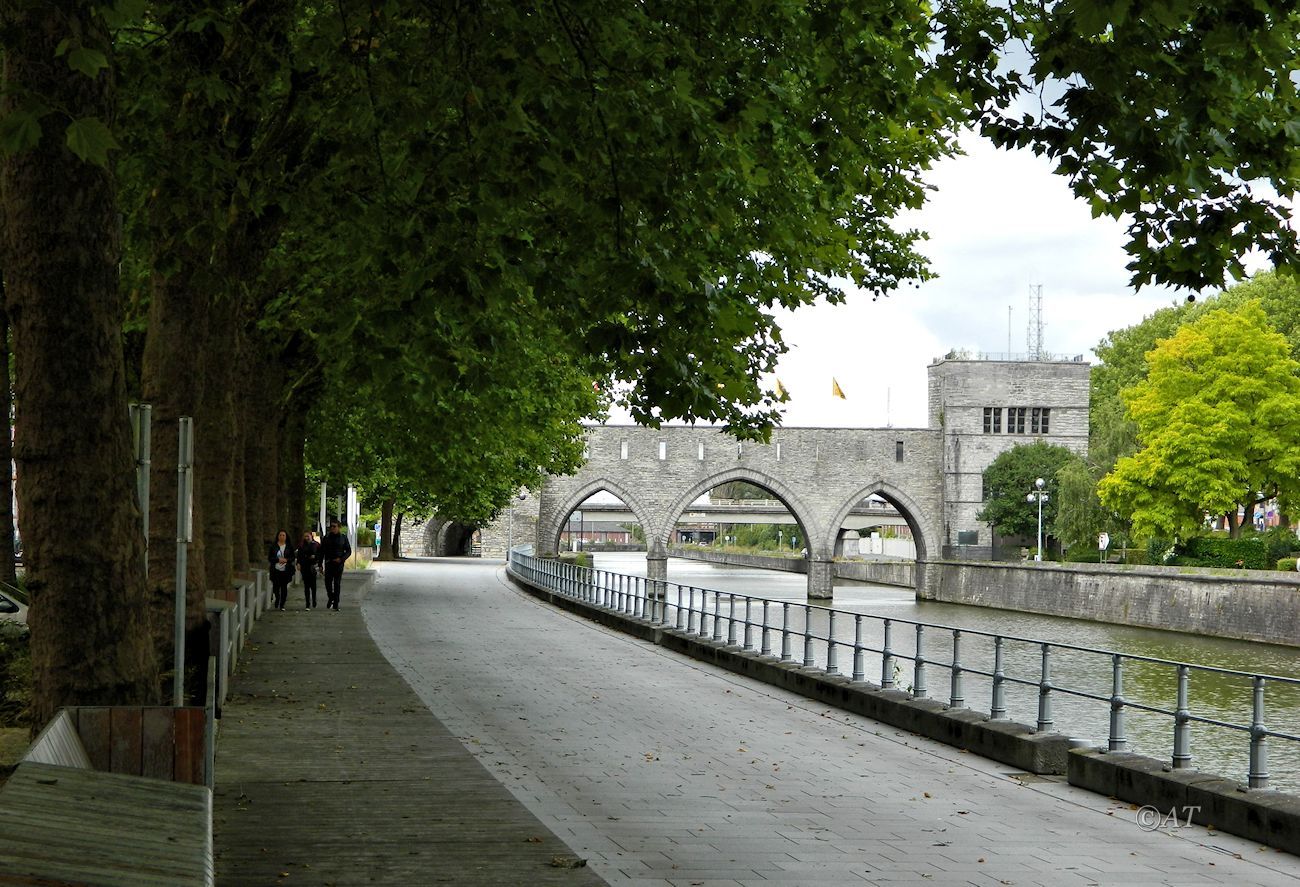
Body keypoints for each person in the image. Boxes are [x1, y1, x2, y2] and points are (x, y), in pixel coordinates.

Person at [320, 520, 352, 611]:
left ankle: (336, 603)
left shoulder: (343, 538)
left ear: (339, 527)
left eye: (334, 526)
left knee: (337, 583)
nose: (333, 528)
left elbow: (348, 551)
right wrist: (320, 564)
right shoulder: (326, 538)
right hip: (329, 563)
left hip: (338, 563)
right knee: (328, 583)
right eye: (331, 527)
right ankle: (331, 597)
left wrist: (341, 559)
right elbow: (322, 551)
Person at [267, 530, 295, 610]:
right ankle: (277, 598)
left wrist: (286, 560)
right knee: (276, 587)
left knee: (284, 587)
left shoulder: (289, 546)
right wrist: (277, 560)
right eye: (280, 535)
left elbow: (292, 557)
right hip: (275, 570)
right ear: (277, 536)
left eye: (283, 535)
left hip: (286, 570)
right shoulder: (273, 546)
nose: (282, 537)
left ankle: (282, 604)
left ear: (286, 537)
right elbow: (270, 558)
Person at [296, 530, 322, 610]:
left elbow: (320, 555)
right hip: (304, 567)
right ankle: (307, 603)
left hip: (313, 567)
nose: (306, 538)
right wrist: (298, 563)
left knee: (313, 586)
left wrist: (317, 561)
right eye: (305, 536)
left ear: (311, 536)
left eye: (308, 536)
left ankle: (314, 600)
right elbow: (299, 556)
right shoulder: (301, 546)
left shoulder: (316, 545)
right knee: (306, 586)